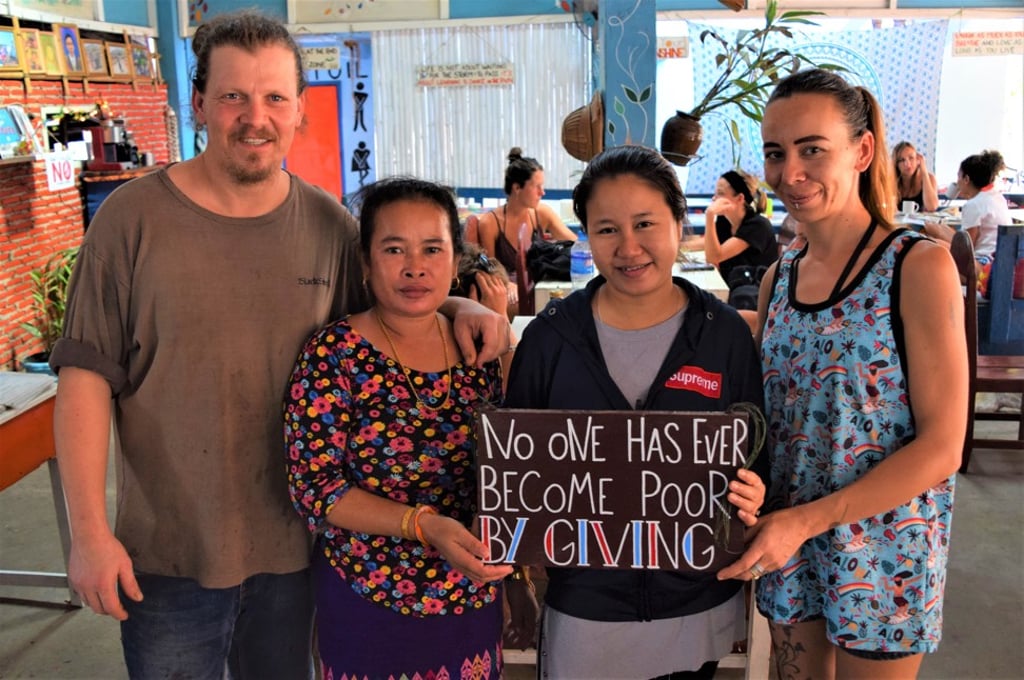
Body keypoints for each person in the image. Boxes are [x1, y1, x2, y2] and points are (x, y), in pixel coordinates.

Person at [49, 10, 509, 679]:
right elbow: (86, 381)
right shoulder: (131, 221)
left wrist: (460, 302)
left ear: (300, 112)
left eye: (274, 98)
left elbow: (393, 301)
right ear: (200, 103)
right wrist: (89, 535)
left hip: (299, 555)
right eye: (233, 96)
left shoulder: (327, 224)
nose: (254, 117)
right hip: (170, 557)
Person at [718, 68, 967, 679]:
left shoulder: (917, 266)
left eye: (812, 150)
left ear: (861, 151)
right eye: (776, 154)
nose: (790, 173)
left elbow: (943, 447)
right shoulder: (780, 279)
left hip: (884, 552)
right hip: (789, 543)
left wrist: (808, 520)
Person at [504, 145, 768, 679]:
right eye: (606, 230)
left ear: (679, 222)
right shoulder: (550, 339)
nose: (629, 248)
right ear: (586, 235)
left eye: (645, 223)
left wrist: (754, 493)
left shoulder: (724, 337)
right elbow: (514, 477)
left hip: (694, 604)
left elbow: (755, 456)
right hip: (584, 610)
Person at [284, 177, 513, 678]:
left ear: (455, 261)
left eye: (433, 248)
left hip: (470, 590)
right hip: (367, 595)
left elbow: (511, 469)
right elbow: (314, 490)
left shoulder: (479, 352)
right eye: (394, 249)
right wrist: (423, 524)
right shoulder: (333, 355)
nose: (415, 266)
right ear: (365, 263)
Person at [474, 147, 578, 313]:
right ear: (517, 188)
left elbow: (575, 245)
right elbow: (490, 268)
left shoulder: (541, 213)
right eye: (536, 186)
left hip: (539, 285)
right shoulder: (490, 223)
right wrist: (508, 284)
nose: (542, 192)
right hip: (509, 291)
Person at [702, 168, 778, 332]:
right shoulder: (725, 223)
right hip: (734, 289)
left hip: (753, 298)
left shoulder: (758, 225)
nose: (715, 198)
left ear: (740, 198)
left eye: (720, 193)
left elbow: (714, 255)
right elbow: (706, 243)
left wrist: (709, 216)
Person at [922, 149, 1010, 268]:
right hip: (999, 261)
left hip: (983, 265)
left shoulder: (974, 204)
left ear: (966, 179)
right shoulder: (997, 197)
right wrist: (943, 229)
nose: (957, 182)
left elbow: (966, 249)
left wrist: (937, 232)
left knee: (931, 243)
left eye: (958, 176)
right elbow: (966, 238)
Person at [892, 141, 939, 213]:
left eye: (911, 158)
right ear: (896, 164)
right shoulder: (891, 180)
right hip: (897, 223)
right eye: (902, 160)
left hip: (920, 223)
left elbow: (932, 207)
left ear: (918, 159)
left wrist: (924, 171)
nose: (907, 164)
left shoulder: (929, 178)